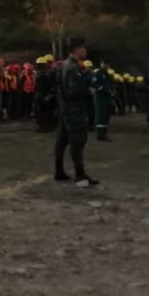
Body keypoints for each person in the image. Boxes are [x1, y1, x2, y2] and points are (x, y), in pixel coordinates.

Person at [54, 37, 99, 187]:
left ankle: (59, 171)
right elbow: (72, 91)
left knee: (62, 141)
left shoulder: (65, 66)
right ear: (76, 49)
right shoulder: (72, 68)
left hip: (65, 109)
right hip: (74, 110)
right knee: (77, 141)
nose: (85, 51)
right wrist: (88, 91)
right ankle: (79, 175)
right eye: (83, 48)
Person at [92, 57, 115, 142]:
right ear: (101, 64)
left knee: (106, 117)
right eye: (104, 63)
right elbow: (95, 84)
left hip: (107, 98)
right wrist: (104, 89)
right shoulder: (98, 73)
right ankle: (100, 135)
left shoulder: (108, 75)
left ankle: (104, 134)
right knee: (101, 117)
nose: (106, 65)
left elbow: (111, 85)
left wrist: (112, 91)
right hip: (100, 98)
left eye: (107, 63)